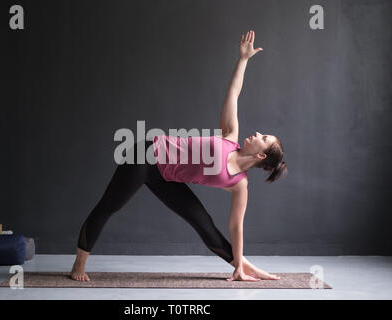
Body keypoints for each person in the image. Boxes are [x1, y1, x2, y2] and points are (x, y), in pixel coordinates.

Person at [71, 30, 287, 282]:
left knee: (203, 222)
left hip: (166, 176)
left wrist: (239, 262)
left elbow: (235, 227)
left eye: (264, 138)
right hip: (146, 155)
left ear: (261, 155)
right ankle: (79, 264)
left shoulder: (240, 185)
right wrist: (243, 60)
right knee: (110, 206)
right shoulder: (230, 137)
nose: (258, 133)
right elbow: (233, 94)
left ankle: (243, 267)